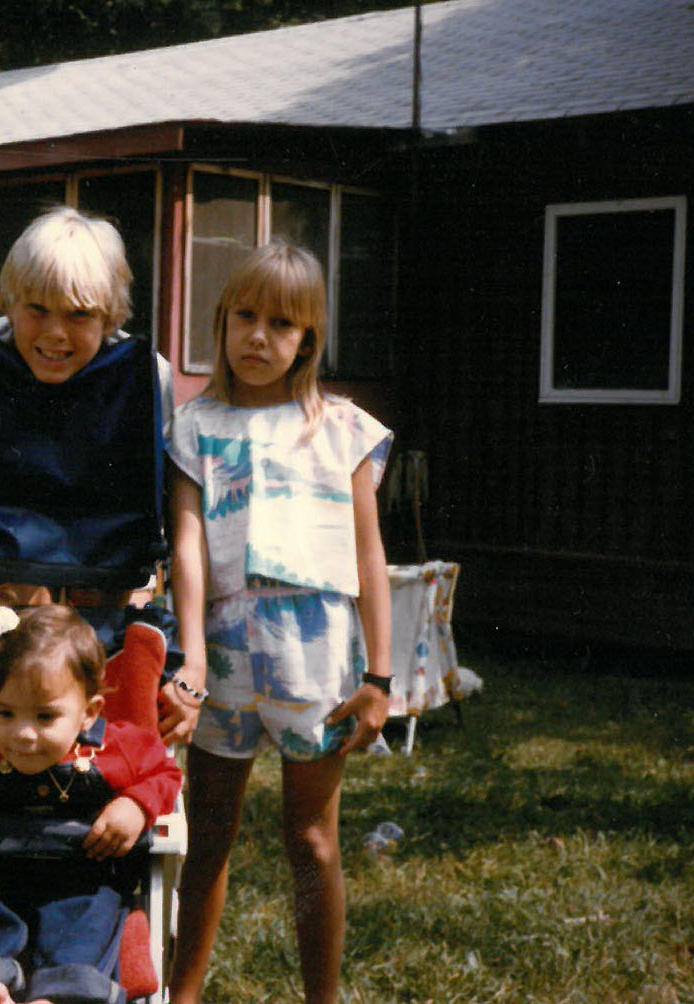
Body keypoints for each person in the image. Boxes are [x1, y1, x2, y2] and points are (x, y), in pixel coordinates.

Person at [165, 241, 394, 1004]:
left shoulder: (342, 429)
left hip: (317, 658)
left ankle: (321, 998)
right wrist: (192, 657)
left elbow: (369, 556)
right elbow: (189, 546)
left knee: (313, 839)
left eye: (281, 324)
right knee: (208, 838)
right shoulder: (195, 426)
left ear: (308, 340)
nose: (259, 337)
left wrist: (379, 678)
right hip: (226, 657)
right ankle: (183, 993)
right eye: (244, 317)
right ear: (222, 322)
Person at [0, 205, 196, 746]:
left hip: (106, 601)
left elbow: (152, 513)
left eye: (78, 315)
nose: (54, 333)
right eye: (37, 309)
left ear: (111, 315)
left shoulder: (146, 376)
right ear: (10, 301)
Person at [0, 605, 182, 1004]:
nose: (23, 734)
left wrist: (136, 805)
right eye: (5, 712)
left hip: (79, 874)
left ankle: (59, 996)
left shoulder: (117, 748)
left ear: (89, 713)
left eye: (45, 716)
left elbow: (166, 774)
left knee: (94, 910)